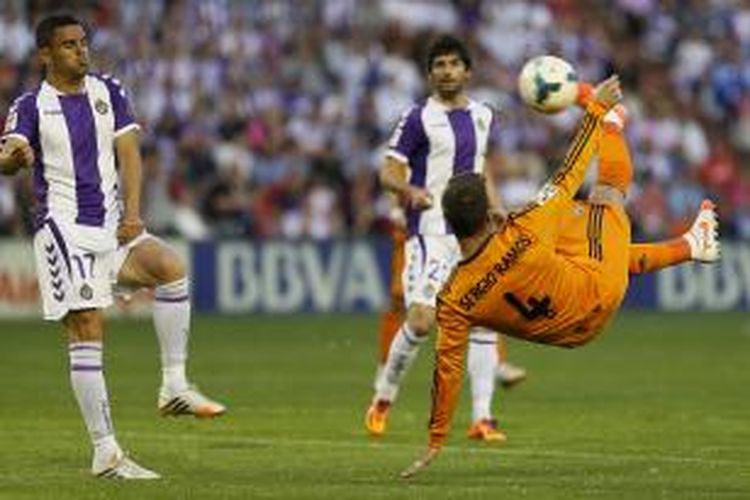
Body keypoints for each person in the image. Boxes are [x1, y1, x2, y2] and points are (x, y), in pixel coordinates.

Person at [400, 76, 720, 478]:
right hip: (597, 292)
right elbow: (570, 173)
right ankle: (616, 124)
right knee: (604, 200)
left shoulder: (454, 299)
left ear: (450, 224)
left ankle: (692, 246)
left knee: (577, 234)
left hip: (570, 334)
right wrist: (598, 112)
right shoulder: (525, 228)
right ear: (487, 213)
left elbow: (447, 369)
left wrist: (435, 439)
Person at [0, 14, 225, 479]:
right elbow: (10, 154)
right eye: (68, 45)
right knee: (87, 326)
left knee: (170, 267)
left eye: (83, 42)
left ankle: (174, 385)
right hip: (63, 230)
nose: (81, 51)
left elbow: (129, 153)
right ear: (45, 54)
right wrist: (11, 159)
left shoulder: (109, 90)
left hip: (110, 227)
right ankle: (106, 452)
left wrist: (133, 213)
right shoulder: (30, 106)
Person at [366, 35, 524, 442]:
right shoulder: (417, 118)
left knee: (483, 317)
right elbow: (388, 170)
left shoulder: (484, 115)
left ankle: (482, 418)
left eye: (455, 63)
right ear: (430, 73)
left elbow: (479, 168)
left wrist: (496, 205)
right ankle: (384, 396)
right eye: (439, 64)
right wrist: (408, 191)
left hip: (473, 234)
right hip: (430, 231)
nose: (448, 70)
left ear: (468, 71)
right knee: (420, 321)